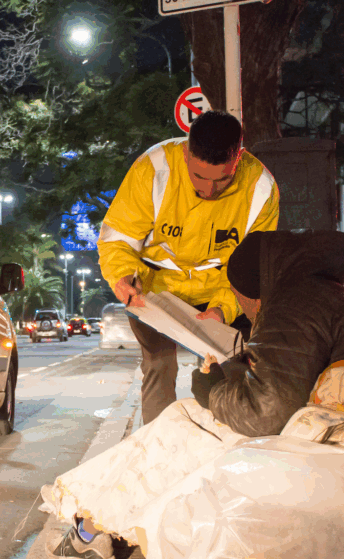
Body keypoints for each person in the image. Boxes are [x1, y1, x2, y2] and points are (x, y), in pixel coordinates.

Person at [49, 230, 344, 559]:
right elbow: (296, 377)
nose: (245, 310)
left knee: (183, 421)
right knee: (195, 421)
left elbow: (265, 414)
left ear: (255, 291)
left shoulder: (293, 302)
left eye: (240, 300)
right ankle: (94, 527)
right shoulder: (338, 296)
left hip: (341, 461)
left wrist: (213, 392)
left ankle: (88, 533)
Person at [97, 111, 279, 425]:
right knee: (159, 365)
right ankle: (158, 442)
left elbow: (255, 266)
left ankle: (227, 441)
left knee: (234, 367)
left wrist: (224, 308)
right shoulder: (154, 169)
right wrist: (122, 277)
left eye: (222, 179)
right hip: (155, 292)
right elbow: (118, 238)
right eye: (199, 177)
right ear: (186, 154)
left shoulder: (261, 188)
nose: (209, 190)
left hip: (222, 290)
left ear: (239, 159)